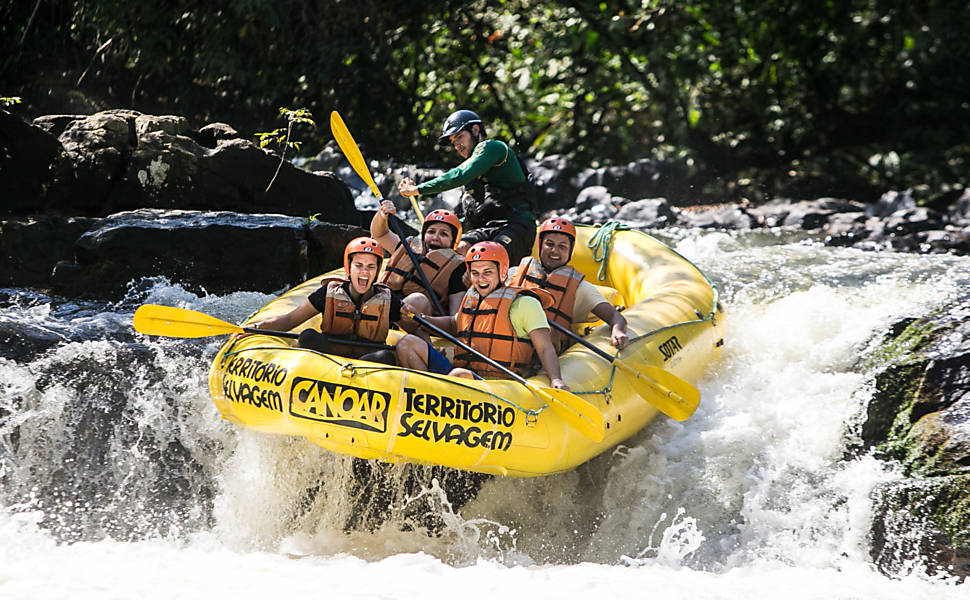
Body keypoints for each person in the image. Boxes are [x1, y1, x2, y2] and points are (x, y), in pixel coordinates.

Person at [396, 241, 569, 390]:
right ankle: (423, 399)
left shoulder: (525, 303)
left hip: (499, 384)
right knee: (407, 344)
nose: (481, 279)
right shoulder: (472, 298)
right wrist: (420, 318)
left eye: (487, 272)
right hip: (462, 374)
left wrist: (556, 379)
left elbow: (545, 348)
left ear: (502, 272)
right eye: (475, 273)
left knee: (459, 375)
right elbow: (454, 325)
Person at [397, 109, 537, 264]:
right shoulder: (471, 179)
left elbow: (459, 175)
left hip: (516, 226)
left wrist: (417, 190)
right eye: (453, 141)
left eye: (459, 137)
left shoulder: (493, 147)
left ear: (475, 130)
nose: (457, 145)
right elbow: (464, 218)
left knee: (490, 255)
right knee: (458, 249)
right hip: (485, 229)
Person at [245, 237, 405, 364]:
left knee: (385, 356)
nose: (365, 271)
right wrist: (255, 328)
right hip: (329, 357)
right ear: (349, 267)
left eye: (371, 266)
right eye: (359, 265)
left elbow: (415, 330)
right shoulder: (328, 293)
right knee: (308, 336)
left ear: (377, 270)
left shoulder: (388, 299)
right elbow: (289, 320)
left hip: (368, 363)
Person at [507, 216, 629, 352]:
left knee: (550, 332)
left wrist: (617, 330)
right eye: (549, 244)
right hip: (508, 345)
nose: (554, 251)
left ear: (570, 251)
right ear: (540, 245)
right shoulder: (514, 274)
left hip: (545, 354)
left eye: (562, 246)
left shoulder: (581, 289)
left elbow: (615, 317)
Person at [370, 201, 467, 316]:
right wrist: (382, 215)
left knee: (417, 300)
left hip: (417, 318)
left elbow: (454, 318)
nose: (435, 237)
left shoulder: (457, 269)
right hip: (385, 305)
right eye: (431, 232)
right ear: (423, 235)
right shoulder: (410, 248)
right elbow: (380, 234)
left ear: (453, 241)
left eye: (443, 234)